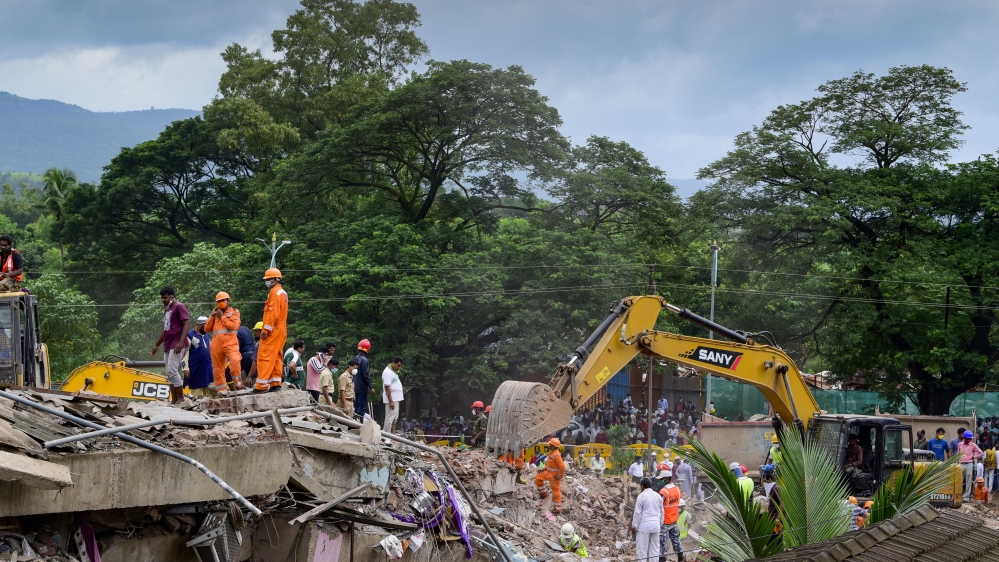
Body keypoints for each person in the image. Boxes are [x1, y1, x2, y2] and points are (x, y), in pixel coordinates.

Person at [150, 287, 189, 404]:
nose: (163, 300)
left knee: (172, 370)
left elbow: (186, 324)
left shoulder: (179, 306)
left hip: (177, 343)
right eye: (161, 298)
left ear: (172, 296)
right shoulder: (167, 310)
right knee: (168, 372)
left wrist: (181, 342)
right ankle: (174, 399)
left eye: (165, 297)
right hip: (168, 344)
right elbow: (165, 329)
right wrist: (156, 345)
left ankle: (181, 398)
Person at [204, 292, 245, 394]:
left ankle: (238, 385)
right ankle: (221, 390)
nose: (221, 303)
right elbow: (207, 329)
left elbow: (233, 326)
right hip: (216, 344)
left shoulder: (235, 312)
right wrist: (212, 316)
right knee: (218, 369)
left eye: (223, 300)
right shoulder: (215, 315)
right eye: (219, 301)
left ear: (228, 301)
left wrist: (222, 316)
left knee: (235, 360)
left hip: (230, 343)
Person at [254, 268, 288, 392]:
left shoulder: (274, 292)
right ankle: (275, 383)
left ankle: (261, 385)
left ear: (274, 280)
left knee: (265, 355)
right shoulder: (282, 292)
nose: (267, 282)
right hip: (281, 329)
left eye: (268, 279)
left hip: (273, 329)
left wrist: (266, 329)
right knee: (277, 355)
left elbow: (272, 313)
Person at [632, 477, 663, 562]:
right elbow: (662, 511)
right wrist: (660, 524)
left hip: (644, 526)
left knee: (642, 550)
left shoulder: (642, 496)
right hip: (656, 525)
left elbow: (637, 513)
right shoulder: (658, 496)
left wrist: (634, 526)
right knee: (655, 550)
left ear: (642, 485)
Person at [183, 316, 213, 397]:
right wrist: (185, 368)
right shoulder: (189, 335)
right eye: (206, 326)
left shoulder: (207, 335)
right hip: (196, 369)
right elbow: (184, 353)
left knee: (211, 393)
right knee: (196, 395)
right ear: (201, 325)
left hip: (208, 369)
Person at [658, 469, 684, 562]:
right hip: (674, 520)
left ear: (666, 479)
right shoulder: (677, 489)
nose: (660, 481)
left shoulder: (664, 492)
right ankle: (681, 559)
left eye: (661, 479)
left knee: (663, 545)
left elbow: (658, 504)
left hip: (665, 522)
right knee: (677, 542)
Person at [535, 437, 566, 513]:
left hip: (554, 477)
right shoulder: (552, 453)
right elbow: (550, 466)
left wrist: (560, 476)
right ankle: (544, 494)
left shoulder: (556, 455)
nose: (549, 445)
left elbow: (562, 466)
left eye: (550, 444)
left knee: (556, 492)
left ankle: (557, 509)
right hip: (548, 473)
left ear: (553, 446)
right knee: (538, 478)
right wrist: (543, 469)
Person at [957, 429, 985, 501]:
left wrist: (974, 457)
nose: (969, 440)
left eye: (970, 439)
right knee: (959, 481)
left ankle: (966, 497)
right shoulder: (960, 444)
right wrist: (956, 463)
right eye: (968, 439)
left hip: (969, 463)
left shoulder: (973, 445)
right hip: (961, 464)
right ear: (964, 438)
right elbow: (958, 454)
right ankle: (958, 496)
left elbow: (981, 453)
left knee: (968, 481)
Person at [382, 356, 405, 433]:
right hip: (391, 399)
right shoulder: (387, 372)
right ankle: (387, 436)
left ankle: (392, 434)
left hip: (396, 399)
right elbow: (387, 387)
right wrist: (391, 401)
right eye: (398, 365)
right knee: (389, 418)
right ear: (394, 363)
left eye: (400, 366)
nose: (399, 368)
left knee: (395, 417)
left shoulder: (392, 372)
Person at [353, 339, 374, 418]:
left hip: (356, 386)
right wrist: (371, 387)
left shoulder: (356, 358)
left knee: (357, 406)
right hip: (362, 387)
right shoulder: (364, 360)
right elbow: (366, 375)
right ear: (368, 349)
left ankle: (354, 422)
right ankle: (359, 425)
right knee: (361, 408)